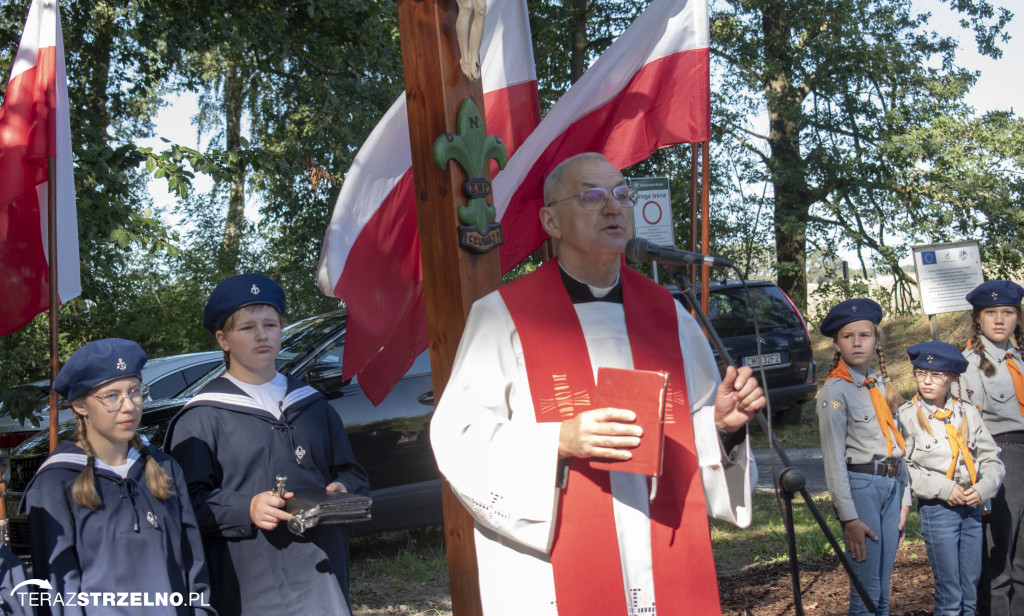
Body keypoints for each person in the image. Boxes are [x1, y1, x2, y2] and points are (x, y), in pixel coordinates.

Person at [429, 152, 763, 615]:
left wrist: (723, 426)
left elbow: (693, 433)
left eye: (623, 195)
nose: (613, 208)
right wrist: (558, 439)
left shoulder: (670, 316)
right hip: (554, 565)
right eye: (592, 197)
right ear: (551, 221)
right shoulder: (503, 316)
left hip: (660, 545)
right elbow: (458, 438)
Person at [165, 273, 369, 616]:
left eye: (270, 324)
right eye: (247, 328)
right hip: (251, 582)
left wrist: (343, 487)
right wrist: (246, 508)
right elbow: (183, 506)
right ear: (223, 339)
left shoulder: (312, 405)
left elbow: (352, 471)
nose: (262, 335)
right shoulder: (200, 418)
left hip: (323, 574)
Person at [21, 338, 213, 615]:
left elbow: (194, 569)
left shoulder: (164, 467)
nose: (129, 406)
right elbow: (58, 595)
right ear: (80, 406)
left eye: (134, 391)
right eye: (112, 396)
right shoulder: (55, 484)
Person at [816, 298, 910, 616]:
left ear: (876, 340)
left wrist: (905, 498)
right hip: (862, 488)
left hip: (891, 486)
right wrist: (849, 518)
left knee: (883, 588)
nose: (857, 342)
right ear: (837, 343)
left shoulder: (881, 384)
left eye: (865, 335)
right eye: (848, 336)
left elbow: (897, 444)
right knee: (867, 591)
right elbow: (832, 461)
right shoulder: (834, 392)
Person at [899, 341, 1004, 616]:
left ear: (953, 378)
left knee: (969, 593)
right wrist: (943, 489)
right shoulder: (908, 416)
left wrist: (984, 488)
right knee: (949, 594)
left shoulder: (967, 413)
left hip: (971, 507)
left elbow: (992, 458)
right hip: (938, 509)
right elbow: (903, 468)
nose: (927, 381)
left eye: (937, 375)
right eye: (921, 373)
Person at [961, 279, 1024, 616]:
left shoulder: (1020, 358)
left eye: (1008, 312)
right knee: (1000, 558)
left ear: (1017, 317)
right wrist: (980, 485)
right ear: (979, 319)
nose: (999, 320)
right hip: (1000, 458)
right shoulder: (970, 364)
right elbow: (967, 430)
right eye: (990, 313)